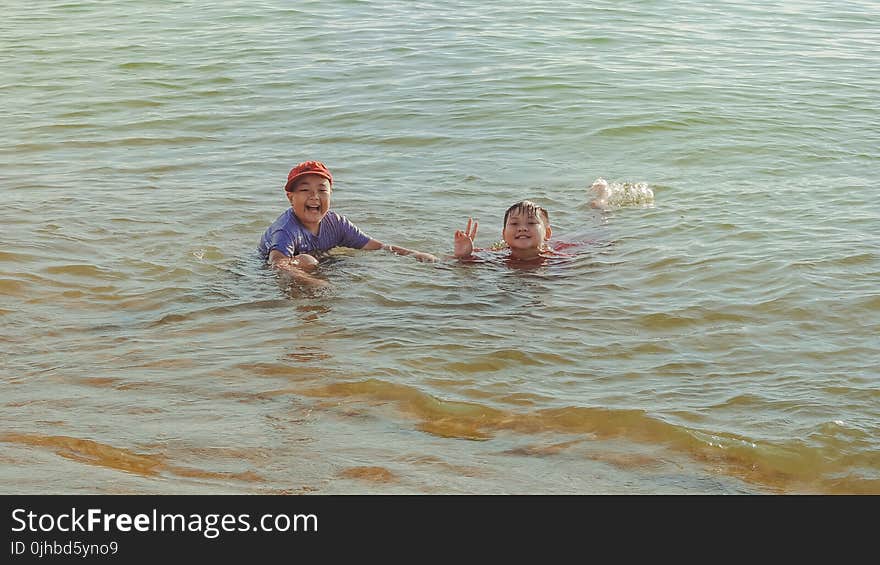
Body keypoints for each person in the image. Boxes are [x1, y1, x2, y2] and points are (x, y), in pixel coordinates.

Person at [259, 160, 437, 286]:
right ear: (291, 198)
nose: (314, 196)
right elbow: (277, 265)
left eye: (322, 190)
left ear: (330, 194)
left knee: (354, 264)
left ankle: (459, 260)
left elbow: (379, 247)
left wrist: (416, 254)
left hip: (319, 261)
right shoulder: (286, 229)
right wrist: (315, 283)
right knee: (308, 260)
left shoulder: (336, 223)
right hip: (263, 270)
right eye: (305, 190)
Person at [453, 199, 587, 263]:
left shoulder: (559, 260)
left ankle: (598, 203)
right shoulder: (496, 255)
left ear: (547, 233)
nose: (522, 228)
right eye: (515, 223)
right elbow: (442, 262)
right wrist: (463, 256)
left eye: (531, 222)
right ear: (504, 235)